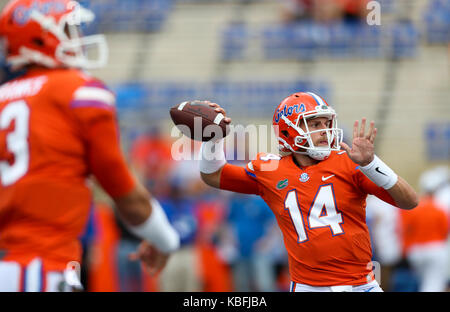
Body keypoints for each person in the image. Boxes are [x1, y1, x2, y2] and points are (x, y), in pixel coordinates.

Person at [0, 0, 179, 292]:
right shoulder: (78, 92)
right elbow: (125, 193)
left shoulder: (5, 97)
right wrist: (165, 240)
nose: (78, 38)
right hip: (43, 267)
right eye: (69, 29)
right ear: (39, 36)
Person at [198, 92, 418, 292]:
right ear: (288, 129)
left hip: (360, 285)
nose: (325, 130)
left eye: (326, 122)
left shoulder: (349, 163)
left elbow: (409, 201)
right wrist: (212, 139)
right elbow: (213, 174)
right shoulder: (270, 169)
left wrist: (371, 164)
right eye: (314, 124)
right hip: (307, 287)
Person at [399, 167, 450, 292]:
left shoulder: (412, 207)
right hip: (435, 249)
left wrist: (405, 250)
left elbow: (405, 230)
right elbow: (445, 229)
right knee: (433, 283)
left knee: (424, 282)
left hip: (415, 251)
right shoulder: (439, 207)